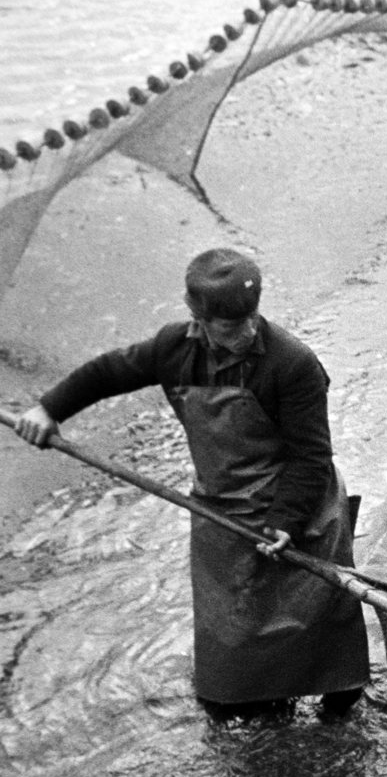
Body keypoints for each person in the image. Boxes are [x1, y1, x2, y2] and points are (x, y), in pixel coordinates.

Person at [15, 248, 369, 717]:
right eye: (228, 326)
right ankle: (249, 705)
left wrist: (285, 520)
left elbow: (311, 456)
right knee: (233, 644)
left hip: (301, 507)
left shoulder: (293, 363)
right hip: (221, 511)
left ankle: (338, 707)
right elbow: (109, 372)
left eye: (249, 319)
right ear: (198, 317)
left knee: (319, 628)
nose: (243, 334)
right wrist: (48, 409)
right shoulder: (173, 348)